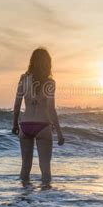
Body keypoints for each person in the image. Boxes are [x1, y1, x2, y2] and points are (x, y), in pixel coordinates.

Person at [12, 47, 65, 185]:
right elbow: (51, 109)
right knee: (45, 168)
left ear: (32, 62)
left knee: (25, 168)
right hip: (43, 125)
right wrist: (59, 133)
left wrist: (14, 125)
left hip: (25, 126)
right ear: (48, 64)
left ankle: (24, 200)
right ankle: (45, 203)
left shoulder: (23, 79)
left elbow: (17, 105)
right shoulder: (50, 83)